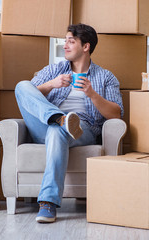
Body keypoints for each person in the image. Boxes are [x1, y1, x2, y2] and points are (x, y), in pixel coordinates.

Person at [15, 23, 123, 223]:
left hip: (82, 128)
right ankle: (59, 117)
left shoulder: (105, 77)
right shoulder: (55, 70)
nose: (65, 45)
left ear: (85, 47)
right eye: (65, 41)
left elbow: (116, 114)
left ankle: (47, 203)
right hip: (45, 124)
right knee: (22, 86)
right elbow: (28, 96)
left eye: (70, 42)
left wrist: (92, 94)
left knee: (58, 131)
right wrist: (51, 84)